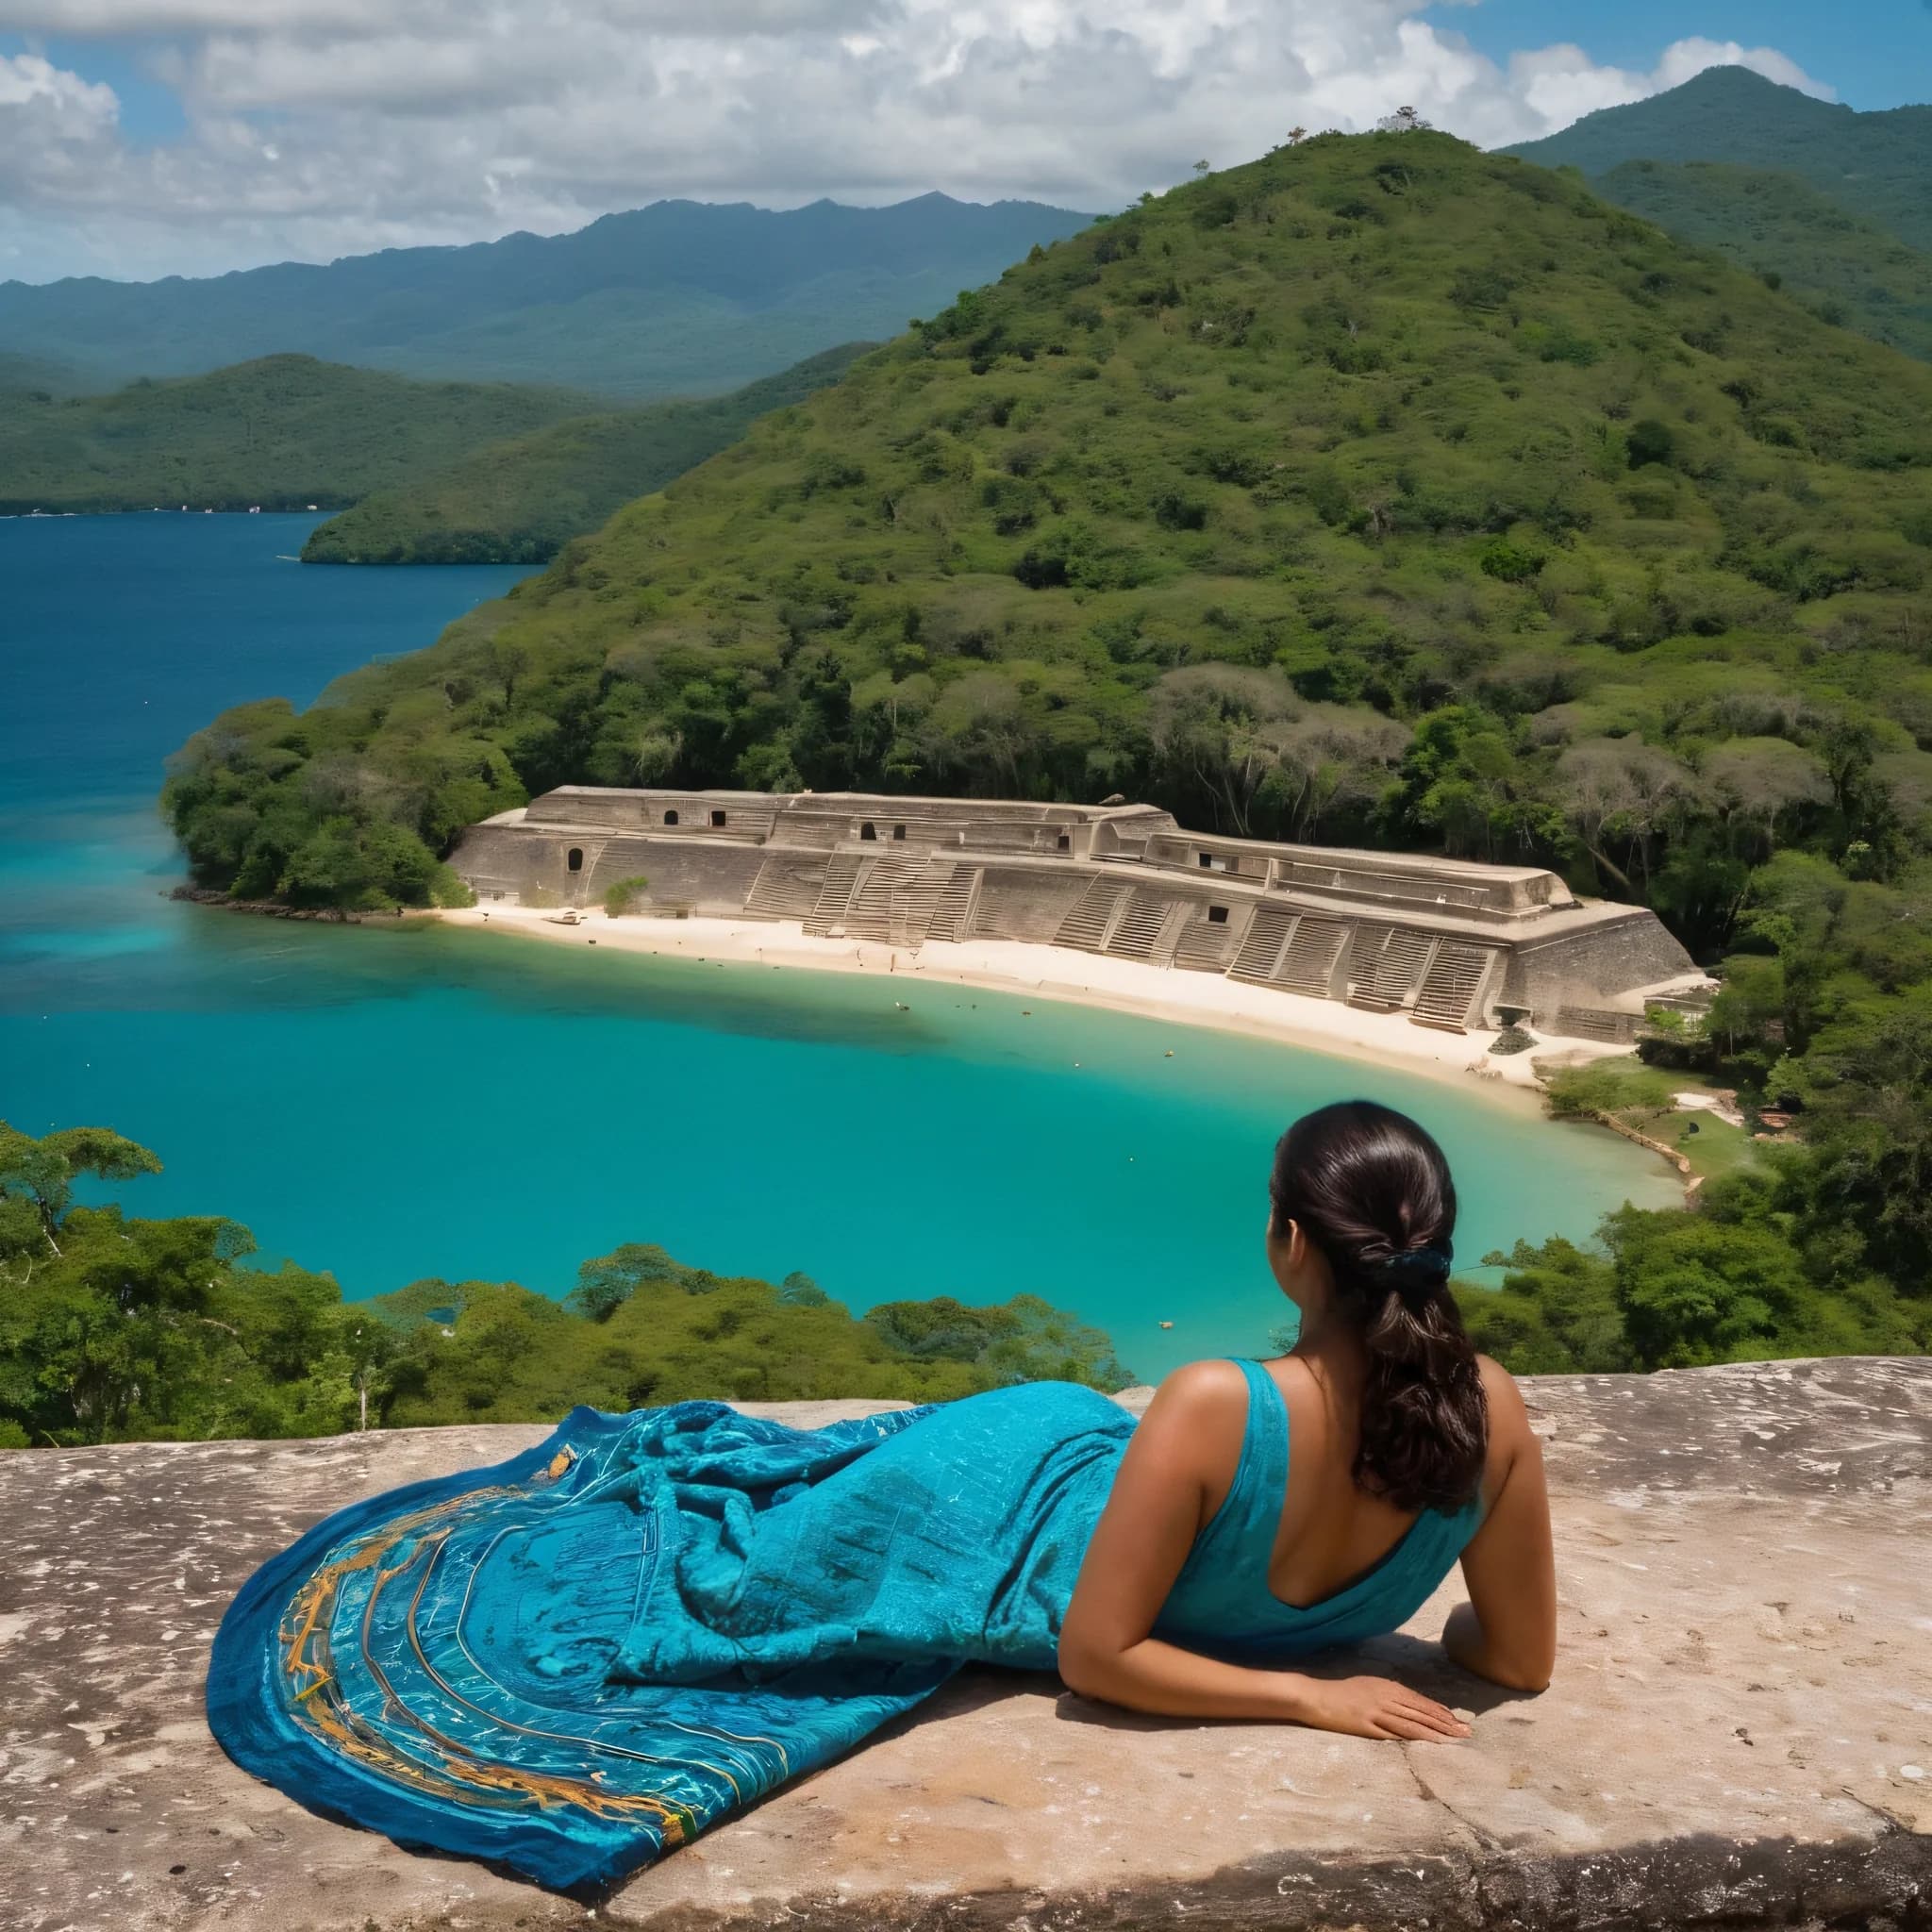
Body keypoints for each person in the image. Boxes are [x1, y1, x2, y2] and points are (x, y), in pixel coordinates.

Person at [207, 1101, 1554, 1892]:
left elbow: (1100, 1655)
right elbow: (1520, 1658)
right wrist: (1410, 1650)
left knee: (736, 1552)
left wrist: (1308, 1697)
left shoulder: (1218, 1397)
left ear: (1288, 1243)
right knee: (868, 1466)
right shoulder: (1489, 1410)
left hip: (1025, 1499)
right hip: (1104, 1467)